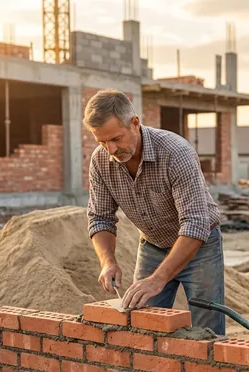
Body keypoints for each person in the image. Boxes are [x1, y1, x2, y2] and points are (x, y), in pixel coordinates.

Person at [83, 88, 225, 335]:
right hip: (152, 246)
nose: (111, 149)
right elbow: (100, 217)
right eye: (102, 141)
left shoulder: (175, 152)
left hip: (200, 247)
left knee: (206, 330)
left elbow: (195, 223)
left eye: (116, 138)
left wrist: (158, 279)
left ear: (135, 123)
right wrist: (108, 261)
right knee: (143, 325)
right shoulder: (100, 161)